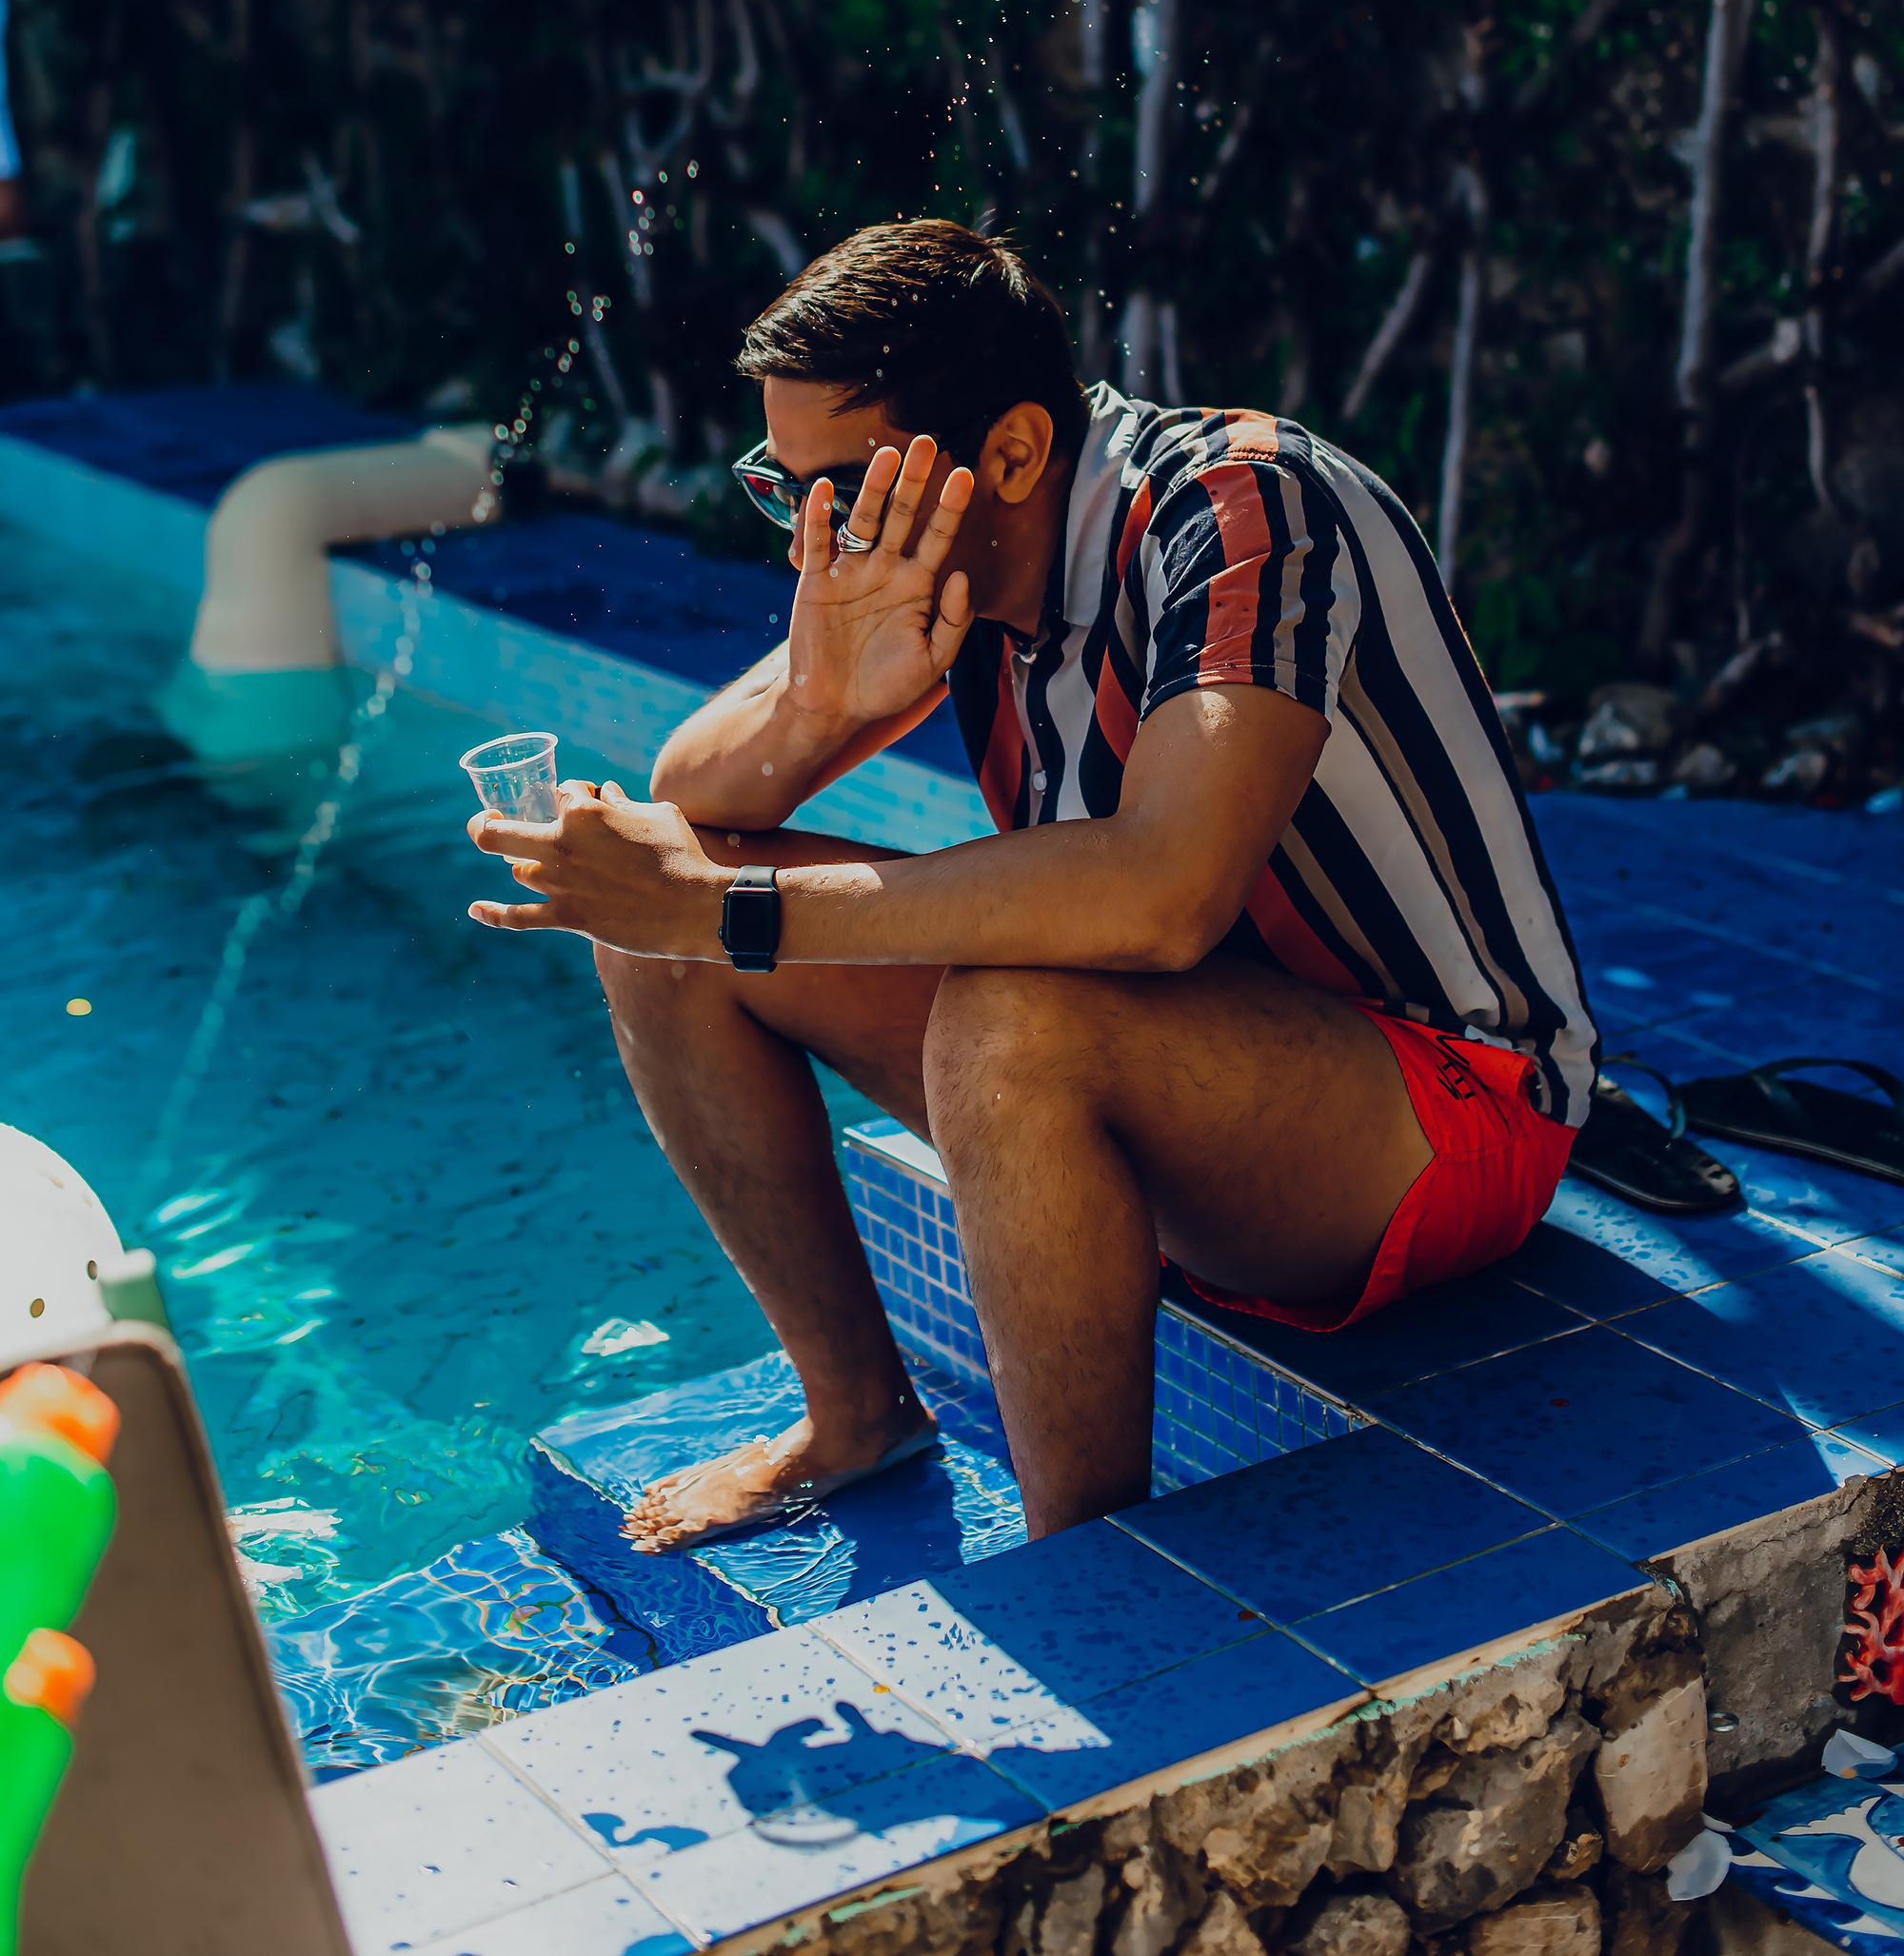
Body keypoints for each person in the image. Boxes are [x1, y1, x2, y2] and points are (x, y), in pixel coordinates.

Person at [468, 221, 1597, 1548]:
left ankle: (1088, 1572)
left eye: (847, 491)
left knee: (1005, 1023)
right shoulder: (950, 569)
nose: (810, 545)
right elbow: (693, 804)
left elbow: (1162, 895)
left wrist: (731, 910)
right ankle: (856, 1415)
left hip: (1446, 1113)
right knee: (671, 938)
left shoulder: (1246, 510)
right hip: (1194, 1084)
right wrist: (826, 700)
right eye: (787, 492)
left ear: (1010, 452)